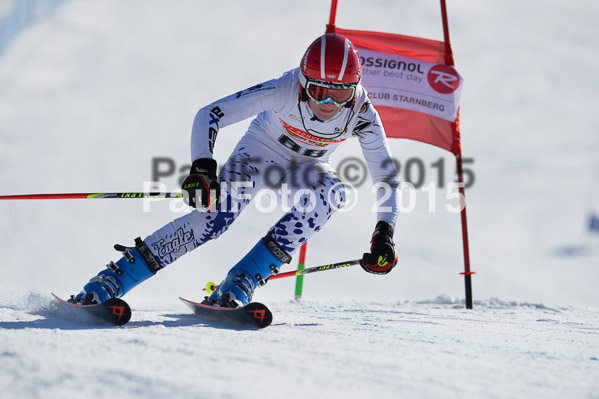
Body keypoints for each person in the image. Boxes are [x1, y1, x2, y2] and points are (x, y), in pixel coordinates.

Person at [70, 33, 400, 308]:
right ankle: (112, 279)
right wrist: (202, 168)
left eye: (340, 94)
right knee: (213, 219)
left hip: (306, 170)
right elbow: (209, 114)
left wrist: (384, 233)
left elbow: (385, 176)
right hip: (259, 156)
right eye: (319, 91)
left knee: (331, 193)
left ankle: (241, 282)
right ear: (304, 82)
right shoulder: (284, 89)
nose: (329, 104)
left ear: (354, 88)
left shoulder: (362, 114)